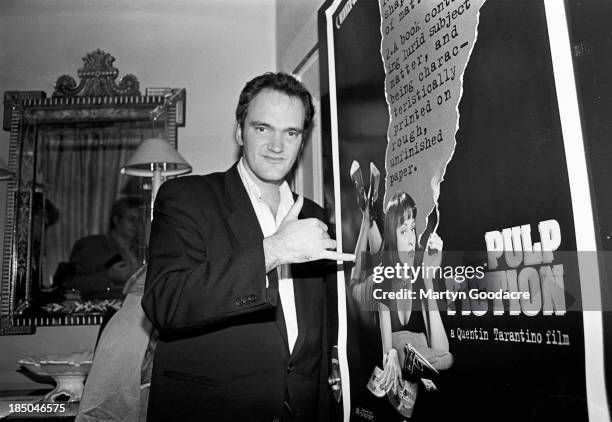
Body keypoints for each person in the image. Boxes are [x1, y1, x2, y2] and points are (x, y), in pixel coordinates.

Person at [142, 72, 354, 422]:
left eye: (291, 133)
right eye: (262, 128)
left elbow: (319, 333)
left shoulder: (315, 217)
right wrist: (274, 250)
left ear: (302, 140)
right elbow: (166, 304)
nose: (276, 146)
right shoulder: (187, 198)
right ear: (240, 131)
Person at [61, 197, 141, 299]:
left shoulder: (146, 250)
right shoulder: (92, 246)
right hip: (105, 311)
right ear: (116, 220)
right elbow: (70, 282)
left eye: (140, 220)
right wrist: (108, 276)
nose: (137, 224)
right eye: (131, 219)